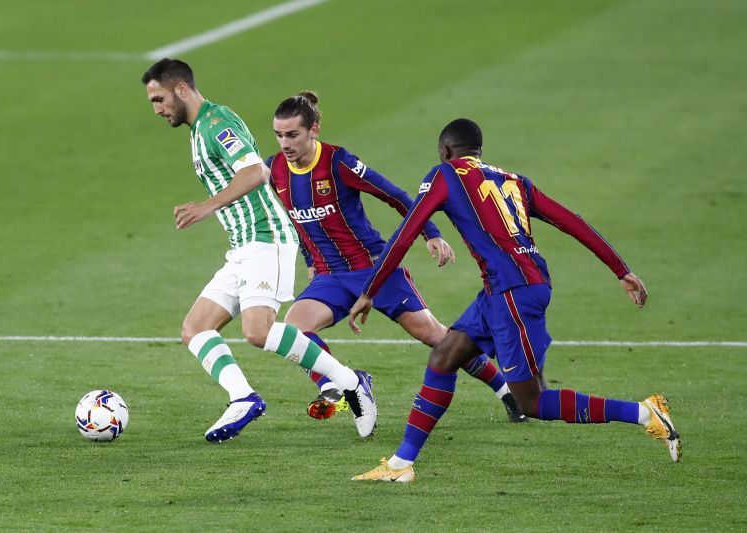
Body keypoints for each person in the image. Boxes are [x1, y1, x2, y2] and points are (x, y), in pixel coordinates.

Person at [348, 118, 681, 482]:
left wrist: (370, 290)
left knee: (532, 401)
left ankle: (644, 413)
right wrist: (620, 268)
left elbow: (406, 232)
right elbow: (571, 219)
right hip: (504, 290)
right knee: (445, 355)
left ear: (445, 151)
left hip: (513, 294)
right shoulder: (514, 180)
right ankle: (400, 465)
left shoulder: (446, 174)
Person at [140, 58, 376, 443]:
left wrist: (207, 205)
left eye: (159, 98)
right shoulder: (200, 130)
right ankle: (243, 398)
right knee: (195, 328)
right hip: (243, 244)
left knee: (258, 331)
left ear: (181, 89)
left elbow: (257, 172)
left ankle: (351, 382)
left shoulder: (218, 124)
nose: (157, 109)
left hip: (266, 238)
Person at [267, 93, 525, 423]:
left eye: (292, 134)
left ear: (313, 130)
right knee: (293, 330)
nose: (284, 143)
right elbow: (294, 220)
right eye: (278, 134)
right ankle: (342, 384)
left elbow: (396, 196)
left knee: (436, 337)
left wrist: (430, 233)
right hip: (330, 276)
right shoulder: (274, 169)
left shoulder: (338, 163)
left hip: (374, 269)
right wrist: (308, 259)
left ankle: (505, 390)